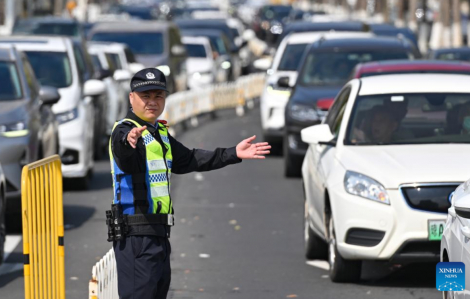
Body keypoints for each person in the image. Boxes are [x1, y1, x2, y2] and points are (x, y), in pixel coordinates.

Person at [108, 68, 271, 299]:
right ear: (131, 97)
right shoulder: (124, 130)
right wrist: (128, 140)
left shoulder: (159, 133)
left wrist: (233, 153)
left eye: (158, 96)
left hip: (158, 235)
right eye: (145, 97)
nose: (152, 102)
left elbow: (191, 159)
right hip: (136, 236)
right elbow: (123, 153)